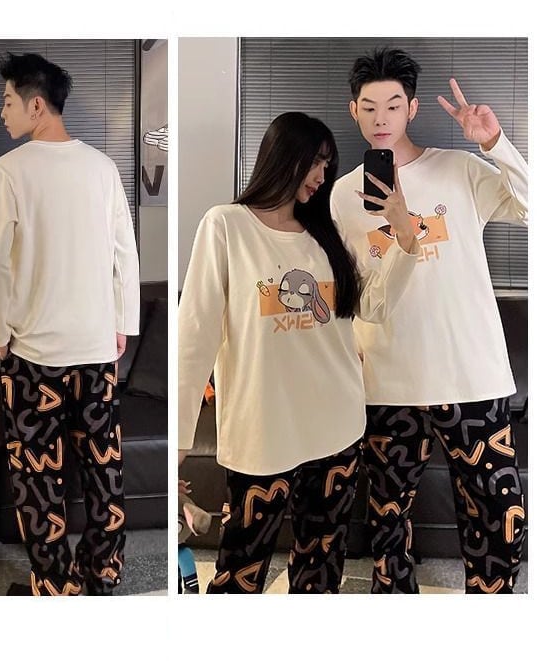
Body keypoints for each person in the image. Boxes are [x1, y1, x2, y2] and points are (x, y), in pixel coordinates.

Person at [178, 111, 420, 594]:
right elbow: (195, 334)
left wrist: (405, 236)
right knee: (240, 568)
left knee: (321, 569)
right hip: (261, 432)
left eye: (328, 166)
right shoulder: (226, 225)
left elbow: (372, 306)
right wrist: (180, 439)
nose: (322, 176)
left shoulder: (326, 234)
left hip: (336, 427)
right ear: (284, 157)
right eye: (315, 162)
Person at [330, 47, 527, 594]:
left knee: (497, 512)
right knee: (387, 519)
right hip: (387, 380)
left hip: (471, 374)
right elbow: (355, 291)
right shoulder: (343, 195)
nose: (382, 118)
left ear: (412, 108)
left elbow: (534, 209)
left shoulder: (459, 169)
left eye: (393, 105)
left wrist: (493, 142)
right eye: (370, 107)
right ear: (353, 110)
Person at [0, 52, 140, 596]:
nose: (2, 112)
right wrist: (122, 323)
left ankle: (53, 585)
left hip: (32, 355)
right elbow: (125, 252)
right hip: (96, 349)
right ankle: (104, 573)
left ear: (36, 106)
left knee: (38, 477)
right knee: (103, 468)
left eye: (8, 101)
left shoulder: (7, 172)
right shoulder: (103, 168)